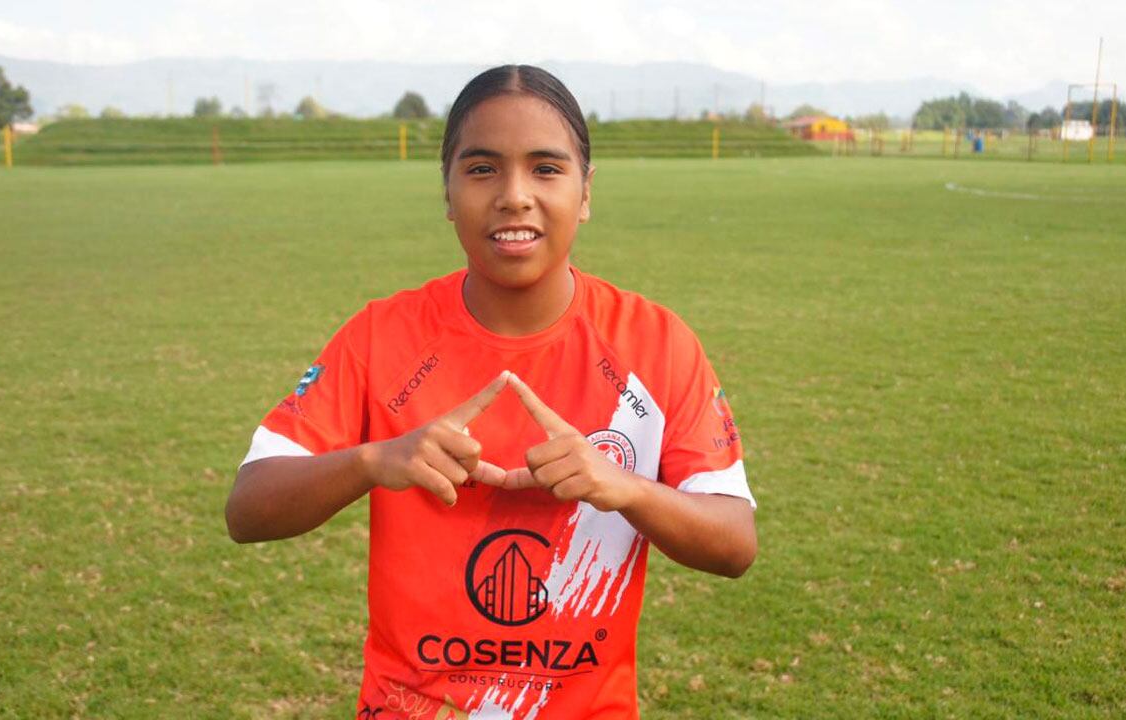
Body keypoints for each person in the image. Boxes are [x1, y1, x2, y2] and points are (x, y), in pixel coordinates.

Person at [225, 64, 757, 719]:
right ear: (447, 193)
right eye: (482, 169)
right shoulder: (380, 337)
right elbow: (248, 510)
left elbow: (735, 542)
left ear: (586, 192)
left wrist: (623, 487)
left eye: (546, 169)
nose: (513, 196)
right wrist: (373, 460)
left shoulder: (656, 344)